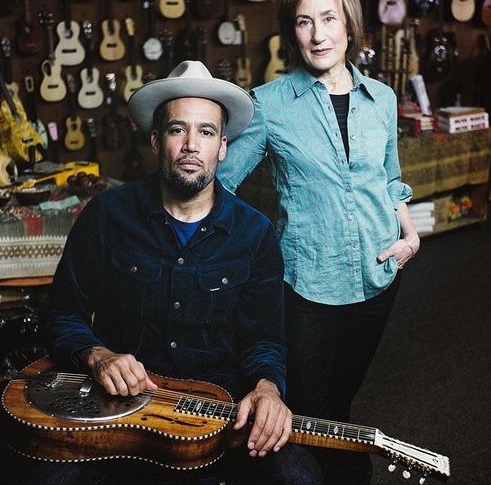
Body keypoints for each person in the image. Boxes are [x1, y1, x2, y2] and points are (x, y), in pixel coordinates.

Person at [31, 61, 322, 485]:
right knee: (45, 480)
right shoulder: (108, 215)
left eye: (205, 132)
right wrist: (98, 356)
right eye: (177, 130)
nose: (191, 145)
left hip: (217, 413)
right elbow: (61, 313)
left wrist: (267, 389)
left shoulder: (255, 233)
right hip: (119, 406)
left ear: (222, 147)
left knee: (301, 479)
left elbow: (264, 339)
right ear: (155, 141)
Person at [216, 0, 420, 483]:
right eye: (305, 22)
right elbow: (221, 183)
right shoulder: (269, 102)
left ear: (350, 25)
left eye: (329, 19)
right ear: (294, 31)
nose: (318, 34)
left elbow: (390, 179)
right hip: (307, 283)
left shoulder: (383, 99)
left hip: (379, 274)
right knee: (306, 407)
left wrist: (409, 234)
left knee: (342, 395)